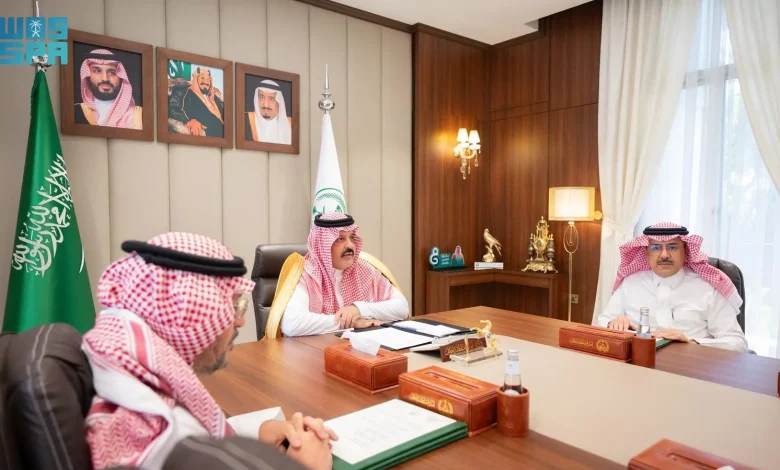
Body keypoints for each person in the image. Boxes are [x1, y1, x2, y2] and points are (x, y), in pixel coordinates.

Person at [82, 232, 336, 469]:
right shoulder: (150, 429)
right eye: (232, 305)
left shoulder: (122, 360)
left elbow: (196, 429)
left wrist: (255, 432)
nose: (240, 321)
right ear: (184, 313)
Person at [595, 222, 748, 352]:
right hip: (639, 366)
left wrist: (691, 343)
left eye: (672, 247)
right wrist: (614, 323)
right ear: (646, 252)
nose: (664, 255)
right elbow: (600, 324)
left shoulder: (708, 288)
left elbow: (737, 344)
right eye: (656, 247)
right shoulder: (630, 283)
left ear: (685, 251)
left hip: (690, 368)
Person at [265, 213, 409, 338]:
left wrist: (358, 309)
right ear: (323, 244)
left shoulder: (364, 269)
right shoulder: (307, 273)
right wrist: (350, 323)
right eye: (340, 239)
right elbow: (292, 324)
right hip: (314, 354)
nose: (350, 245)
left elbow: (402, 308)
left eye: (352, 237)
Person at [75, 48, 142, 129]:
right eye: (97, 71)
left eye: (112, 72)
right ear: (87, 75)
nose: (105, 78)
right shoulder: (76, 112)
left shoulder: (138, 116)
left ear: (121, 77)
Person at [168, 67, 224, 137]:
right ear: (196, 79)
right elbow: (173, 108)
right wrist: (189, 120)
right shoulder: (185, 92)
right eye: (202, 78)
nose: (206, 82)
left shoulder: (215, 98)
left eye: (208, 79)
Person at [245, 79, 292, 144]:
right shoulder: (245, 120)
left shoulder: (291, 124)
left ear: (279, 102)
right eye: (262, 97)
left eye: (271, 99)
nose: (266, 105)